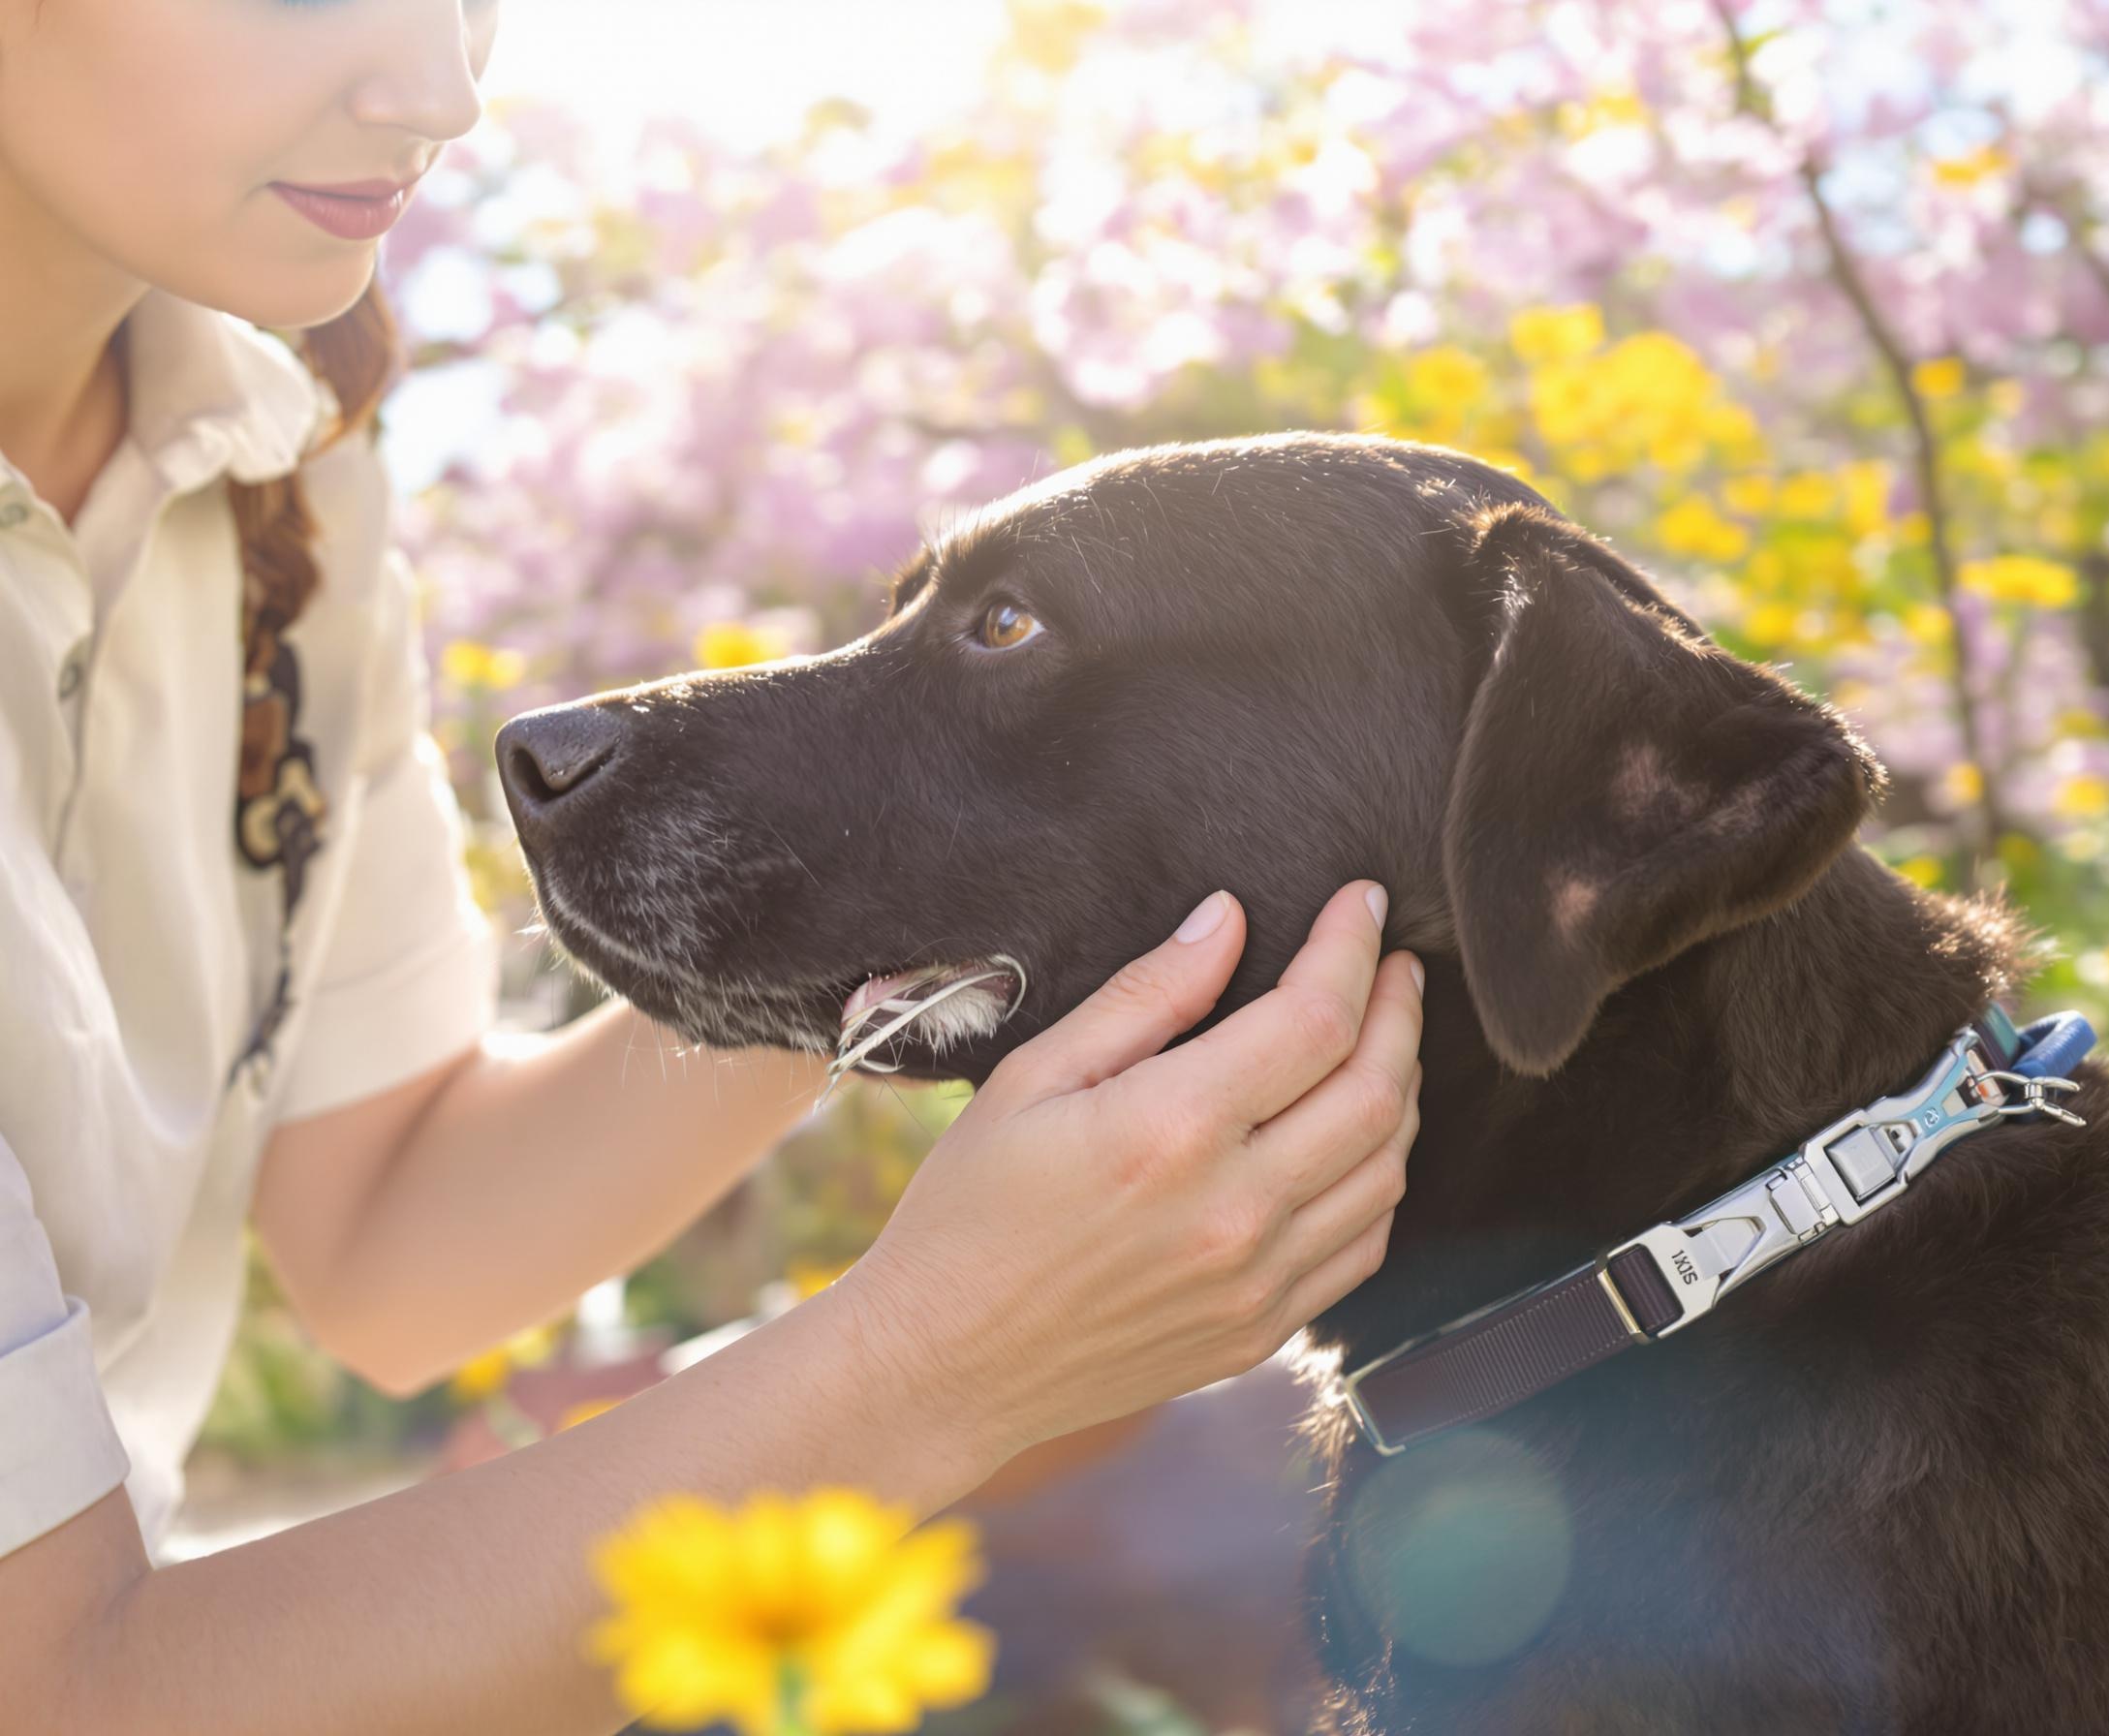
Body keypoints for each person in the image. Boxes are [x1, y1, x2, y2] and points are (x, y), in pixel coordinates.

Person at [0, 2, 1427, 1728]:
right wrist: (935, 1362)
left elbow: (395, 1245)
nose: (441, 87)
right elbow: (54, 1689)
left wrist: (863, 892)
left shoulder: (279, 459)